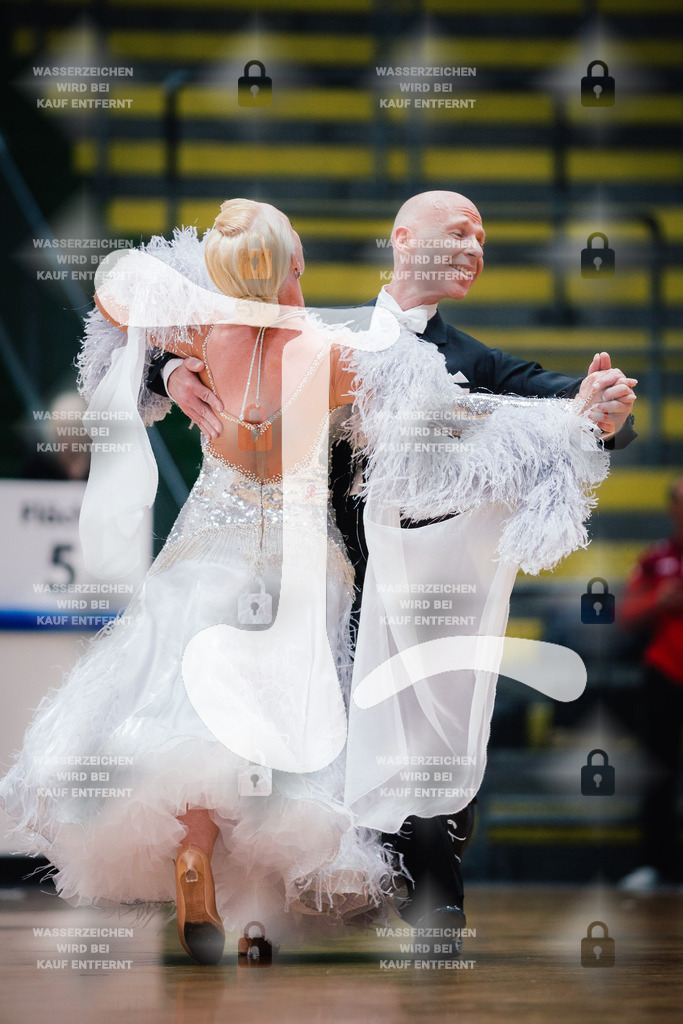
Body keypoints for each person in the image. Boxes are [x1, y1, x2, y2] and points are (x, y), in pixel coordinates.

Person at [151, 191, 637, 938]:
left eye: (484, 236)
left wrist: (602, 410)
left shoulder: (472, 362)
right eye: (461, 232)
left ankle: (422, 885)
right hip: (316, 581)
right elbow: (194, 332)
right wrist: (163, 375)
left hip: (396, 590)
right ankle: (289, 903)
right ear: (403, 240)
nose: (476, 247)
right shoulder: (327, 330)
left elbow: (556, 410)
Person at [618, 477, 683, 889]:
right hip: (665, 671)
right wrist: (658, 602)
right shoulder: (655, 559)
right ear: (671, 509)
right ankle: (654, 863)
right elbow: (624, 613)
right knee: (657, 773)